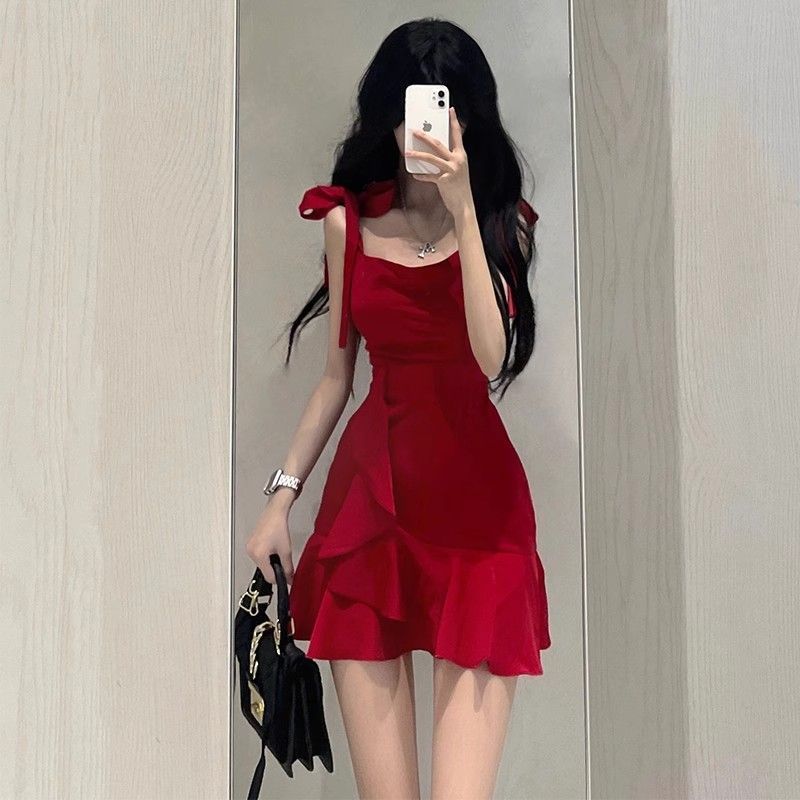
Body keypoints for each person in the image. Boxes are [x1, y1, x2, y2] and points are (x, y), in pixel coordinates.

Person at [247, 17, 551, 800]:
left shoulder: (501, 224)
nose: (426, 131)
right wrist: (280, 500)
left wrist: (463, 210)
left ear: (469, 119)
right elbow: (334, 378)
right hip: (369, 515)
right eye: (411, 110)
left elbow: (490, 357)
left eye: (447, 112)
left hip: (479, 519)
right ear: (388, 114)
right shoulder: (346, 223)